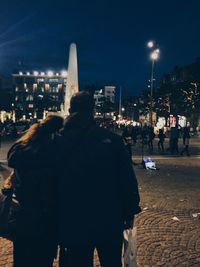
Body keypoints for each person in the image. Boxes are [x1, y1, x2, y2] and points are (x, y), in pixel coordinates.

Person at [57, 91, 141, 267]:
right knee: (111, 262)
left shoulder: (58, 140)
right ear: (92, 111)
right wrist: (130, 209)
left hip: (73, 218)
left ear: (70, 110)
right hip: (109, 217)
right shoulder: (113, 141)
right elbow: (127, 179)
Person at [6, 115, 63, 267]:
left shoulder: (22, 147)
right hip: (47, 217)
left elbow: (12, 158)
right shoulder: (55, 150)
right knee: (43, 260)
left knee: (22, 259)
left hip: (23, 215)